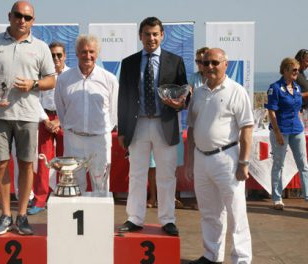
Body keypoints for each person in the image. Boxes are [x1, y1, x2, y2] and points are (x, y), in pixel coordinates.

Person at [0, 0, 55, 235]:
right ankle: (4, 215)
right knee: (0, 164)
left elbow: (51, 80)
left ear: (33, 21)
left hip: (28, 115)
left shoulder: (40, 47)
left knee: (26, 165)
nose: (22, 20)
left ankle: (21, 215)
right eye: (18, 15)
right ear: (9, 16)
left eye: (27, 17)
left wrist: (34, 84)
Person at [117, 17, 187, 236]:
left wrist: (181, 102)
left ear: (162, 35)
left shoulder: (175, 61)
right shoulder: (128, 62)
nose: (151, 38)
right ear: (140, 36)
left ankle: (167, 219)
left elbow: (185, 91)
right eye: (147, 34)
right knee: (137, 174)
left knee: (166, 175)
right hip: (137, 126)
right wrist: (122, 130)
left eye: (155, 34)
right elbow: (124, 98)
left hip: (164, 124)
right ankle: (135, 218)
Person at [186, 48, 253, 264]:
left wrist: (243, 162)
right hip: (201, 159)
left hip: (228, 159)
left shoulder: (237, 91)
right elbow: (192, 129)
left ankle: (241, 259)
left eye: (215, 62)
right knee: (209, 212)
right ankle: (211, 255)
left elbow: (247, 130)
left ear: (225, 63)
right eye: (205, 63)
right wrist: (189, 161)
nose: (210, 67)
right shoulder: (197, 93)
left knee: (236, 214)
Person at [55, 34, 118, 196]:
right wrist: (72, 129)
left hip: (99, 140)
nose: (87, 56)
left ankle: (100, 221)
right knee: (75, 187)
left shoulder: (109, 79)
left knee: (101, 187)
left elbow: (113, 112)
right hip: (73, 139)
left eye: (91, 51)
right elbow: (62, 111)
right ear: (77, 53)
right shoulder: (63, 79)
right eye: (83, 52)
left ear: (97, 54)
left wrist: (101, 130)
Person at [29, 41, 68, 214]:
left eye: (59, 55)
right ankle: (40, 200)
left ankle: (62, 195)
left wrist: (59, 121)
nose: (56, 58)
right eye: (52, 55)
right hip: (45, 118)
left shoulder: (71, 75)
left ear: (65, 56)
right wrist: (46, 120)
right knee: (43, 160)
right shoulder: (42, 75)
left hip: (65, 120)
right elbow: (35, 99)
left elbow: (74, 102)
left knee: (65, 160)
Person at [265, 57, 308, 210]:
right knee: (278, 165)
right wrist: (277, 133)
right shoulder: (275, 88)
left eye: (298, 69)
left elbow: (297, 107)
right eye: (294, 70)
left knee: (304, 165)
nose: (297, 72)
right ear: (285, 70)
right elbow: (271, 111)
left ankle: (307, 197)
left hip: (297, 130)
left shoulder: (296, 87)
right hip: (281, 131)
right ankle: (277, 199)